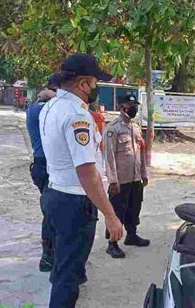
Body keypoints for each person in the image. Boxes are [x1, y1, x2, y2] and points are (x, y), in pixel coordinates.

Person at [39, 53, 123, 307]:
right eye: (95, 82)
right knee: (68, 277)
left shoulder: (50, 106)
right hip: (74, 203)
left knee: (62, 265)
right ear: (83, 83)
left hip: (54, 194)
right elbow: (87, 172)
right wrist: (110, 215)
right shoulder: (78, 117)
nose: (96, 88)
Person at [104, 94, 150, 258]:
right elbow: (109, 157)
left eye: (135, 105)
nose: (134, 108)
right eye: (130, 105)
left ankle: (131, 235)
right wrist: (113, 180)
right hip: (120, 180)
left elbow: (141, 153)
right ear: (121, 107)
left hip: (135, 177)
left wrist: (144, 173)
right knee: (117, 211)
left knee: (134, 208)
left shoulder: (136, 128)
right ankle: (112, 243)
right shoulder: (112, 128)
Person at [26, 73, 61, 272]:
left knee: (53, 209)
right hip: (46, 166)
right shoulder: (43, 110)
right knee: (51, 212)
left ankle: (52, 252)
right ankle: (48, 256)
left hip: (44, 166)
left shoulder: (35, 108)